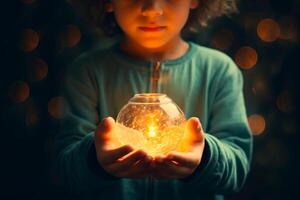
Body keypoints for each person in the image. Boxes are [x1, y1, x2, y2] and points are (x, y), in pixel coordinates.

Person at [54, 0, 253, 199]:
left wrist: (205, 157)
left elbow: (237, 171)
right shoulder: (87, 72)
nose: (152, 10)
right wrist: (94, 159)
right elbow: (65, 173)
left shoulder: (219, 71)